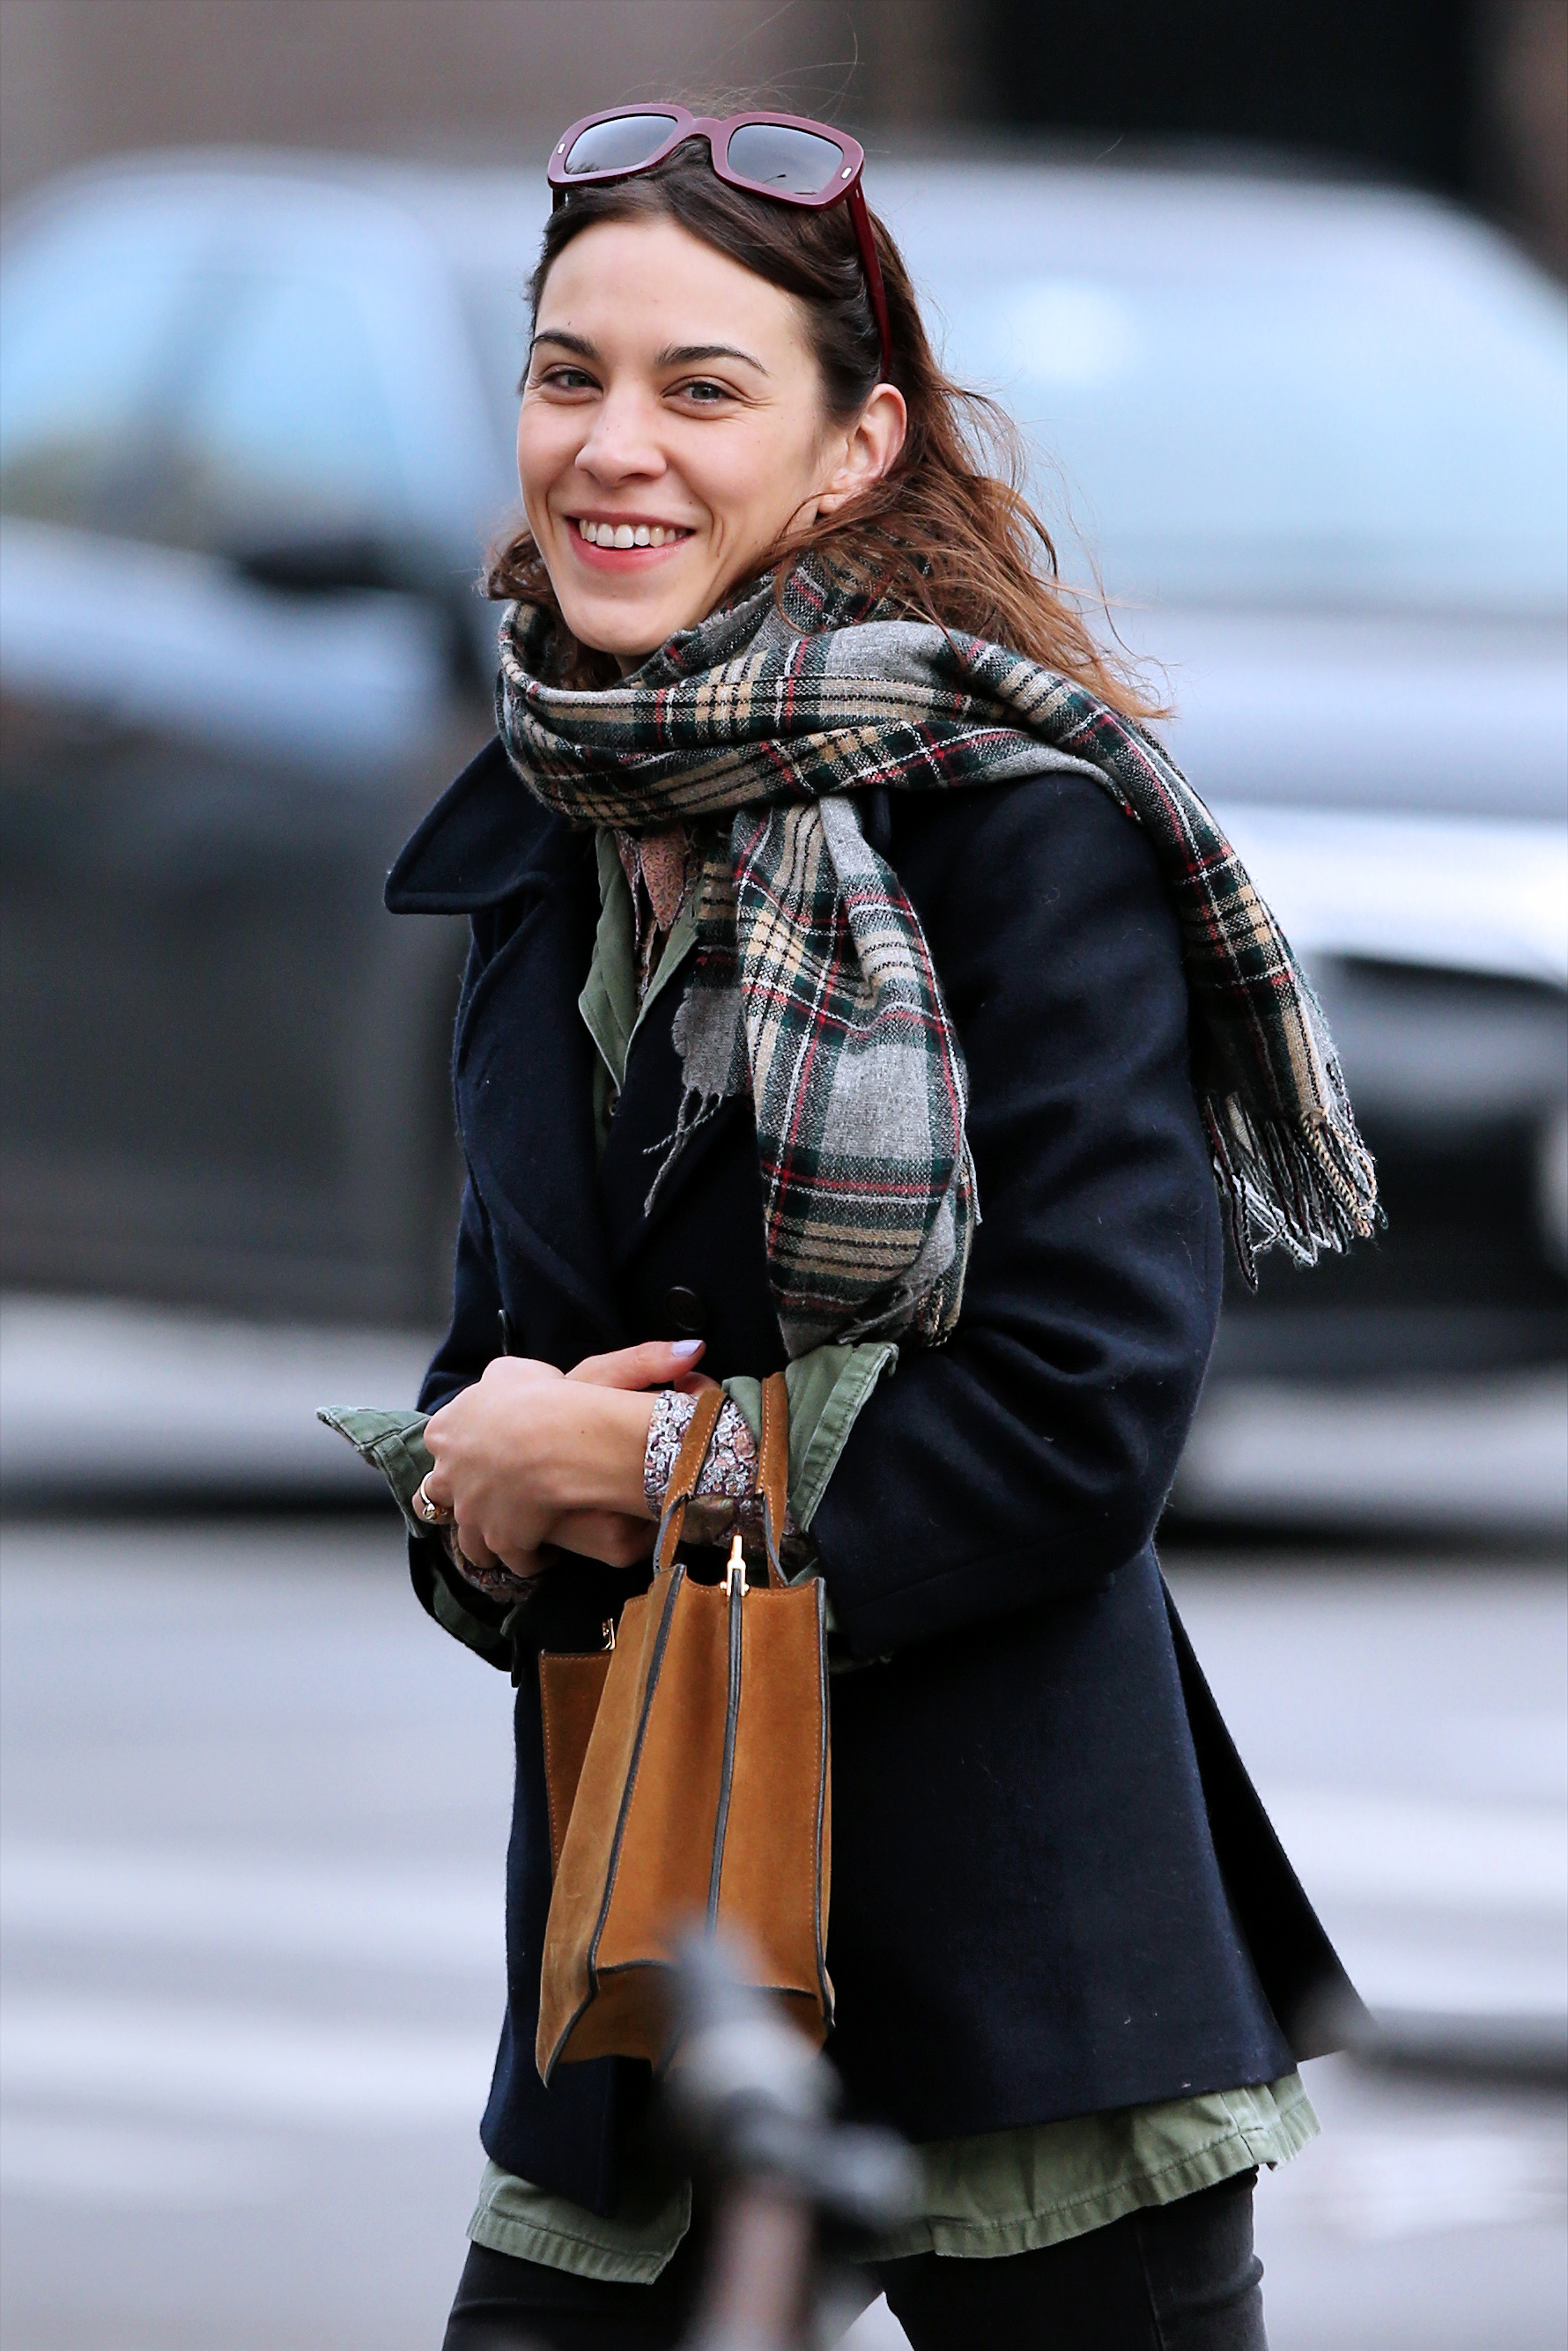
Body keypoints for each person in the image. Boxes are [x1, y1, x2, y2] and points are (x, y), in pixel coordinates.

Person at [379, 105, 1375, 2351]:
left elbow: (1072, 1420)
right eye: (567, 375)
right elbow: (496, 1385)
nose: (608, 447)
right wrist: (476, 1487)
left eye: (699, 388)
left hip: (1012, 1967)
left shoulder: (1019, 839)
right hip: (649, 1958)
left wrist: (629, 1471)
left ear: (853, 447)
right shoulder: (549, 824)